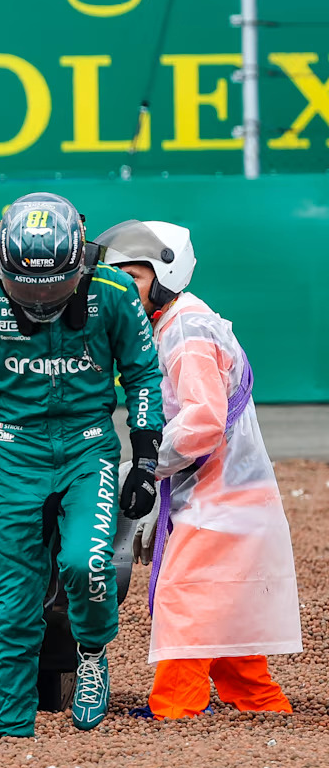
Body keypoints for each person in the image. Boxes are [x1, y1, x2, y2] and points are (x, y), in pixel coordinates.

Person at [0, 192, 164, 737]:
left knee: (87, 565)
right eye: (26, 286)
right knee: (12, 600)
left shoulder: (114, 290)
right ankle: (11, 728)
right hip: (16, 451)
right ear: (1, 265)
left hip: (87, 448)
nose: (40, 297)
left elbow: (144, 375)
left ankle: (91, 656)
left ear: (79, 263)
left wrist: (146, 459)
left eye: (54, 285)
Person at [100, 219, 301, 719]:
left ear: (166, 274)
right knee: (220, 599)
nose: (124, 288)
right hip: (228, 490)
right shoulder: (174, 322)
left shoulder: (185, 329)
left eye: (135, 276)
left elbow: (203, 422)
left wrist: (145, 470)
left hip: (221, 494)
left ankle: (176, 706)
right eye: (117, 277)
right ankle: (260, 702)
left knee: (186, 594)